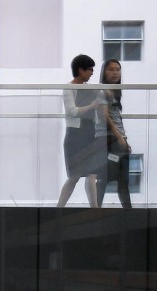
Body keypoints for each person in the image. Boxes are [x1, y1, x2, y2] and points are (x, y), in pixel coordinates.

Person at [56, 54, 104, 208]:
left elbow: (105, 97)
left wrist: (104, 94)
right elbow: (72, 111)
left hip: (90, 134)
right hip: (75, 136)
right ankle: (59, 208)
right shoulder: (69, 88)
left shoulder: (92, 89)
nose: (92, 73)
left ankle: (95, 209)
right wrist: (92, 106)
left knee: (92, 175)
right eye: (89, 70)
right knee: (74, 176)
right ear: (80, 70)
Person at [95, 59, 132, 208]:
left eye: (118, 69)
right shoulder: (102, 90)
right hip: (107, 139)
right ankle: (96, 212)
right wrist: (119, 138)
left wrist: (124, 139)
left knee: (122, 180)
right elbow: (104, 116)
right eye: (111, 69)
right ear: (104, 72)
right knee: (104, 178)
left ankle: (129, 213)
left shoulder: (115, 91)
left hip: (117, 139)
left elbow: (116, 117)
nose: (115, 72)